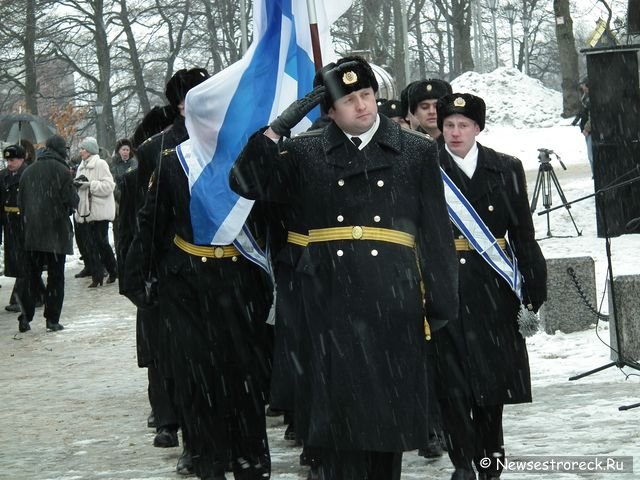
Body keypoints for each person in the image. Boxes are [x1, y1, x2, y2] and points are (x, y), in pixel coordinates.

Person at [230, 55, 459, 480]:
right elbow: (245, 182)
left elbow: (434, 232)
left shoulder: (415, 150)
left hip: (393, 302)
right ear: (330, 111)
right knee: (337, 434)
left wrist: (441, 302)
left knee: (385, 433)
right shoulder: (303, 152)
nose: (362, 106)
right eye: (349, 99)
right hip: (327, 306)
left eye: (367, 95)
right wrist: (278, 128)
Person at [123, 74, 273, 480]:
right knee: (197, 381)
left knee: (246, 381)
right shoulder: (172, 162)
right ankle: (207, 459)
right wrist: (137, 282)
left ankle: (251, 460)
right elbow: (151, 223)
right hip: (187, 288)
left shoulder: (246, 161)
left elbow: (269, 221)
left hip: (241, 284)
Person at [433, 93, 547, 480]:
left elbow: (523, 234)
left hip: (492, 290)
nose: (454, 132)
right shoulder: (424, 166)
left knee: (489, 388)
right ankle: (463, 464)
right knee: (451, 387)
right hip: (442, 286)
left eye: (463, 125)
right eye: (448, 125)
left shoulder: (506, 168)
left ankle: (490, 463)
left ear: (478, 128)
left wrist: (533, 286)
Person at [119, 68, 210, 475]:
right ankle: (191, 439)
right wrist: (140, 277)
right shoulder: (156, 150)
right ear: (180, 104)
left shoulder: (227, 140)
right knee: (180, 363)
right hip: (177, 270)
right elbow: (142, 220)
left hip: (227, 272)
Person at [17, 135, 79, 332]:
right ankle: (52, 319)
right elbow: (72, 201)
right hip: (56, 233)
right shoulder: (62, 171)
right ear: (61, 150)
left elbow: (21, 202)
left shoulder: (28, 171)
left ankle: (25, 316)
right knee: (55, 278)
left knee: (30, 277)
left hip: (33, 231)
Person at [74, 136, 118, 288]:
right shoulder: (81, 166)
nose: (81, 152)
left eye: (83, 149)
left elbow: (109, 186)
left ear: (90, 150)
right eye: (81, 149)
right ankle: (96, 275)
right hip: (86, 212)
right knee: (90, 245)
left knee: (101, 243)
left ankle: (113, 270)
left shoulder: (100, 164)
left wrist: (90, 185)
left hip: (99, 211)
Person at [1, 145, 29, 317]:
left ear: (21, 159)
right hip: (9, 222)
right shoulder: (3, 176)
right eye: (7, 160)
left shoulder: (27, 174)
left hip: (24, 222)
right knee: (17, 260)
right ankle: (38, 293)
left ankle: (19, 298)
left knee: (24, 261)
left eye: (13, 160)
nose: (9, 163)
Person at [110, 138, 138, 248]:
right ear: (118, 151)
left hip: (132, 202)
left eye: (127, 149)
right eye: (123, 149)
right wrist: (120, 195)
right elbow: (112, 183)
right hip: (118, 202)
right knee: (118, 229)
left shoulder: (135, 163)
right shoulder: (113, 165)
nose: (126, 152)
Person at [572, 77, 592, 175]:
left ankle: (595, 174)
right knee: (590, 156)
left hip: (590, 131)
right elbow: (582, 111)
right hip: (586, 130)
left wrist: (587, 128)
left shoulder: (590, 98)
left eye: (583, 84)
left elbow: (591, 115)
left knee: (592, 156)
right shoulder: (585, 96)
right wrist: (575, 120)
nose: (581, 86)